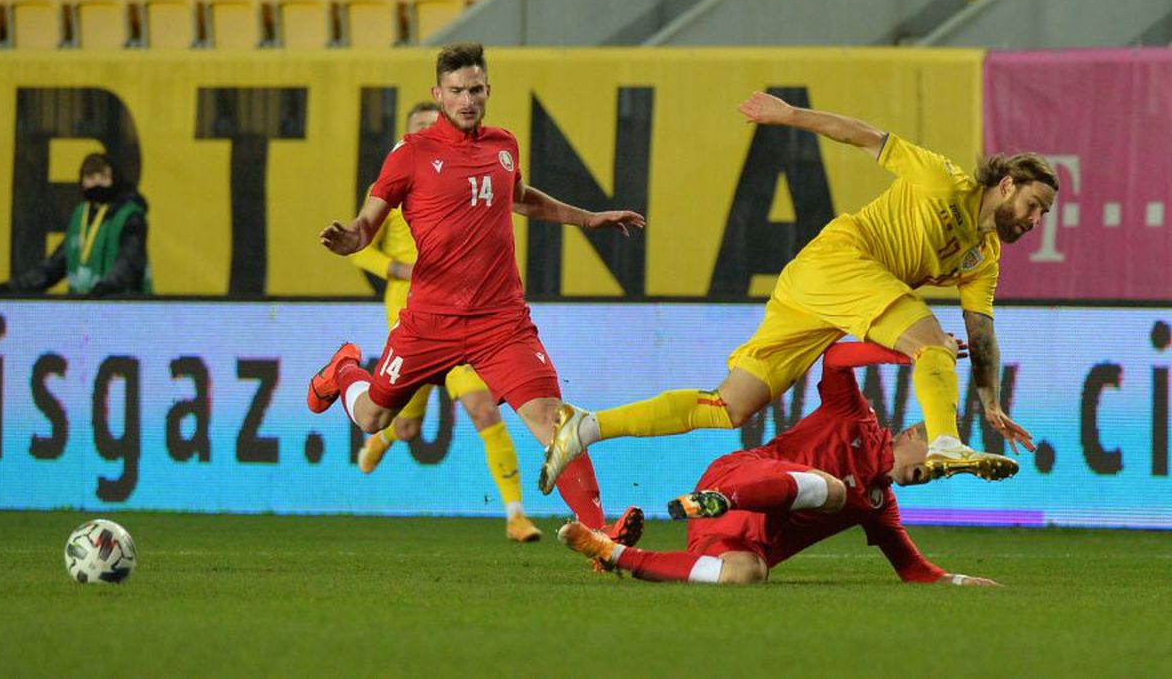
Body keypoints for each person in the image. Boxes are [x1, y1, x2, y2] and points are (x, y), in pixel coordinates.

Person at [540, 92, 1059, 493]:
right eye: (1034, 204)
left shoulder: (983, 257)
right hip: (839, 262)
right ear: (1008, 184)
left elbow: (982, 332)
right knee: (931, 344)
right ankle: (945, 443)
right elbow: (863, 136)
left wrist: (990, 400)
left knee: (729, 407)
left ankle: (583, 427)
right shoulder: (943, 180)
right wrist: (788, 115)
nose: (1036, 220)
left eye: (1044, 214)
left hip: (818, 294)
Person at [308, 43, 646, 549]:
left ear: (488, 91)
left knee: (555, 420)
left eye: (475, 89)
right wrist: (351, 240)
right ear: (437, 94)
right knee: (375, 418)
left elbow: (522, 200)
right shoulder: (410, 154)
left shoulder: (503, 145)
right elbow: (365, 226)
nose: (466, 99)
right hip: (429, 321)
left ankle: (601, 534)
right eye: (456, 91)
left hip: (500, 322)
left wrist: (586, 217)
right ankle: (344, 371)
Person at [558, 341, 999, 587]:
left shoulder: (879, 505)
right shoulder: (854, 416)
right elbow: (835, 357)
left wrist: (960, 583)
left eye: (940, 470)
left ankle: (610, 551)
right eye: (935, 458)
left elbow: (913, 569)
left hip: (733, 534)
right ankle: (716, 499)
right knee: (834, 491)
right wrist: (909, 352)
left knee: (746, 576)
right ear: (910, 435)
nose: (931, 474)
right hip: (737, 479)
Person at [349, 101, 542, 543]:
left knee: (482, 407)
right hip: (412, 318)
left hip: (465, 315)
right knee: (406, 424)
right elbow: (362, 245)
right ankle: (381, 438)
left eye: (430, 126)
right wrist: (397, 270)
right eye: (416, 129)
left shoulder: (462, 181)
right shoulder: (391, 185)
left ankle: (515, 513)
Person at [0, 153, 152, 297]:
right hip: (83, 312)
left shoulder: (130, 217)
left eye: (103, 176)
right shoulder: (81, 215)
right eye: (90, 177)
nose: (96, 182)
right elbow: (53, 267)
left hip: (125, 311)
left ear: (115, 179)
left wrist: (107, 288)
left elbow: (129, 262)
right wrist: (15, 287)